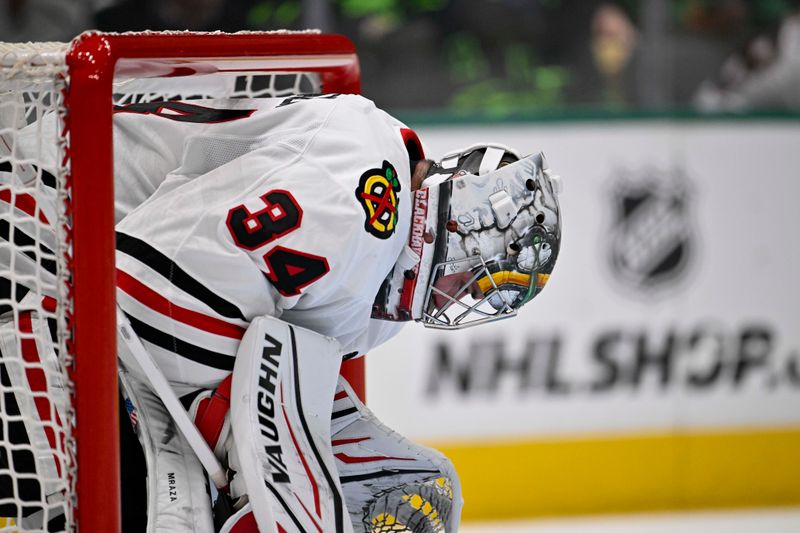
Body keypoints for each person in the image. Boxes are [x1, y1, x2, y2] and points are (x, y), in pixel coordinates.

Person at [1, 93, 562, 532]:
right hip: (34, 230)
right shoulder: (363, 192)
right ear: (459, 218)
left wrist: (274, 461)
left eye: (474, 295)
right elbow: (149, 291)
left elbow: (248, 355)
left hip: (71, 275)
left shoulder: (376, 274)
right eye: (470, 275)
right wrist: (249, 466)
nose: (454, 293)